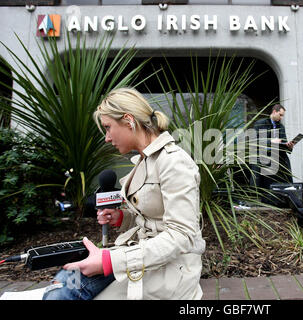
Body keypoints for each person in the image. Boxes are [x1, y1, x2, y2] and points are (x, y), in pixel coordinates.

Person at [43, 87, 205, 300]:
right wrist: (121, 217)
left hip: (170, 271)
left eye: (108, 128)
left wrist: (109, 262)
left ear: (129, 120)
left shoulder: (174, 163)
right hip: (143, 258)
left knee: (60, 296)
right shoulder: (144, 160)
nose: (107, 138)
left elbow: (181, 235)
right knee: (64, 281)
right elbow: (152, 218)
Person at [250, 104, 295, 206]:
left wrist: (289, 146)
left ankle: (282, 199)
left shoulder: (281, 127)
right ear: (274, 112)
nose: (281, 118)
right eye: (280, 115)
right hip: (263, 155)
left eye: (283, 116)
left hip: (278, 156)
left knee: (285, 165)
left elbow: (283, 142)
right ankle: (261, 200)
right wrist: (271, 141)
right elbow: (254, 141)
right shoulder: (260, 123)